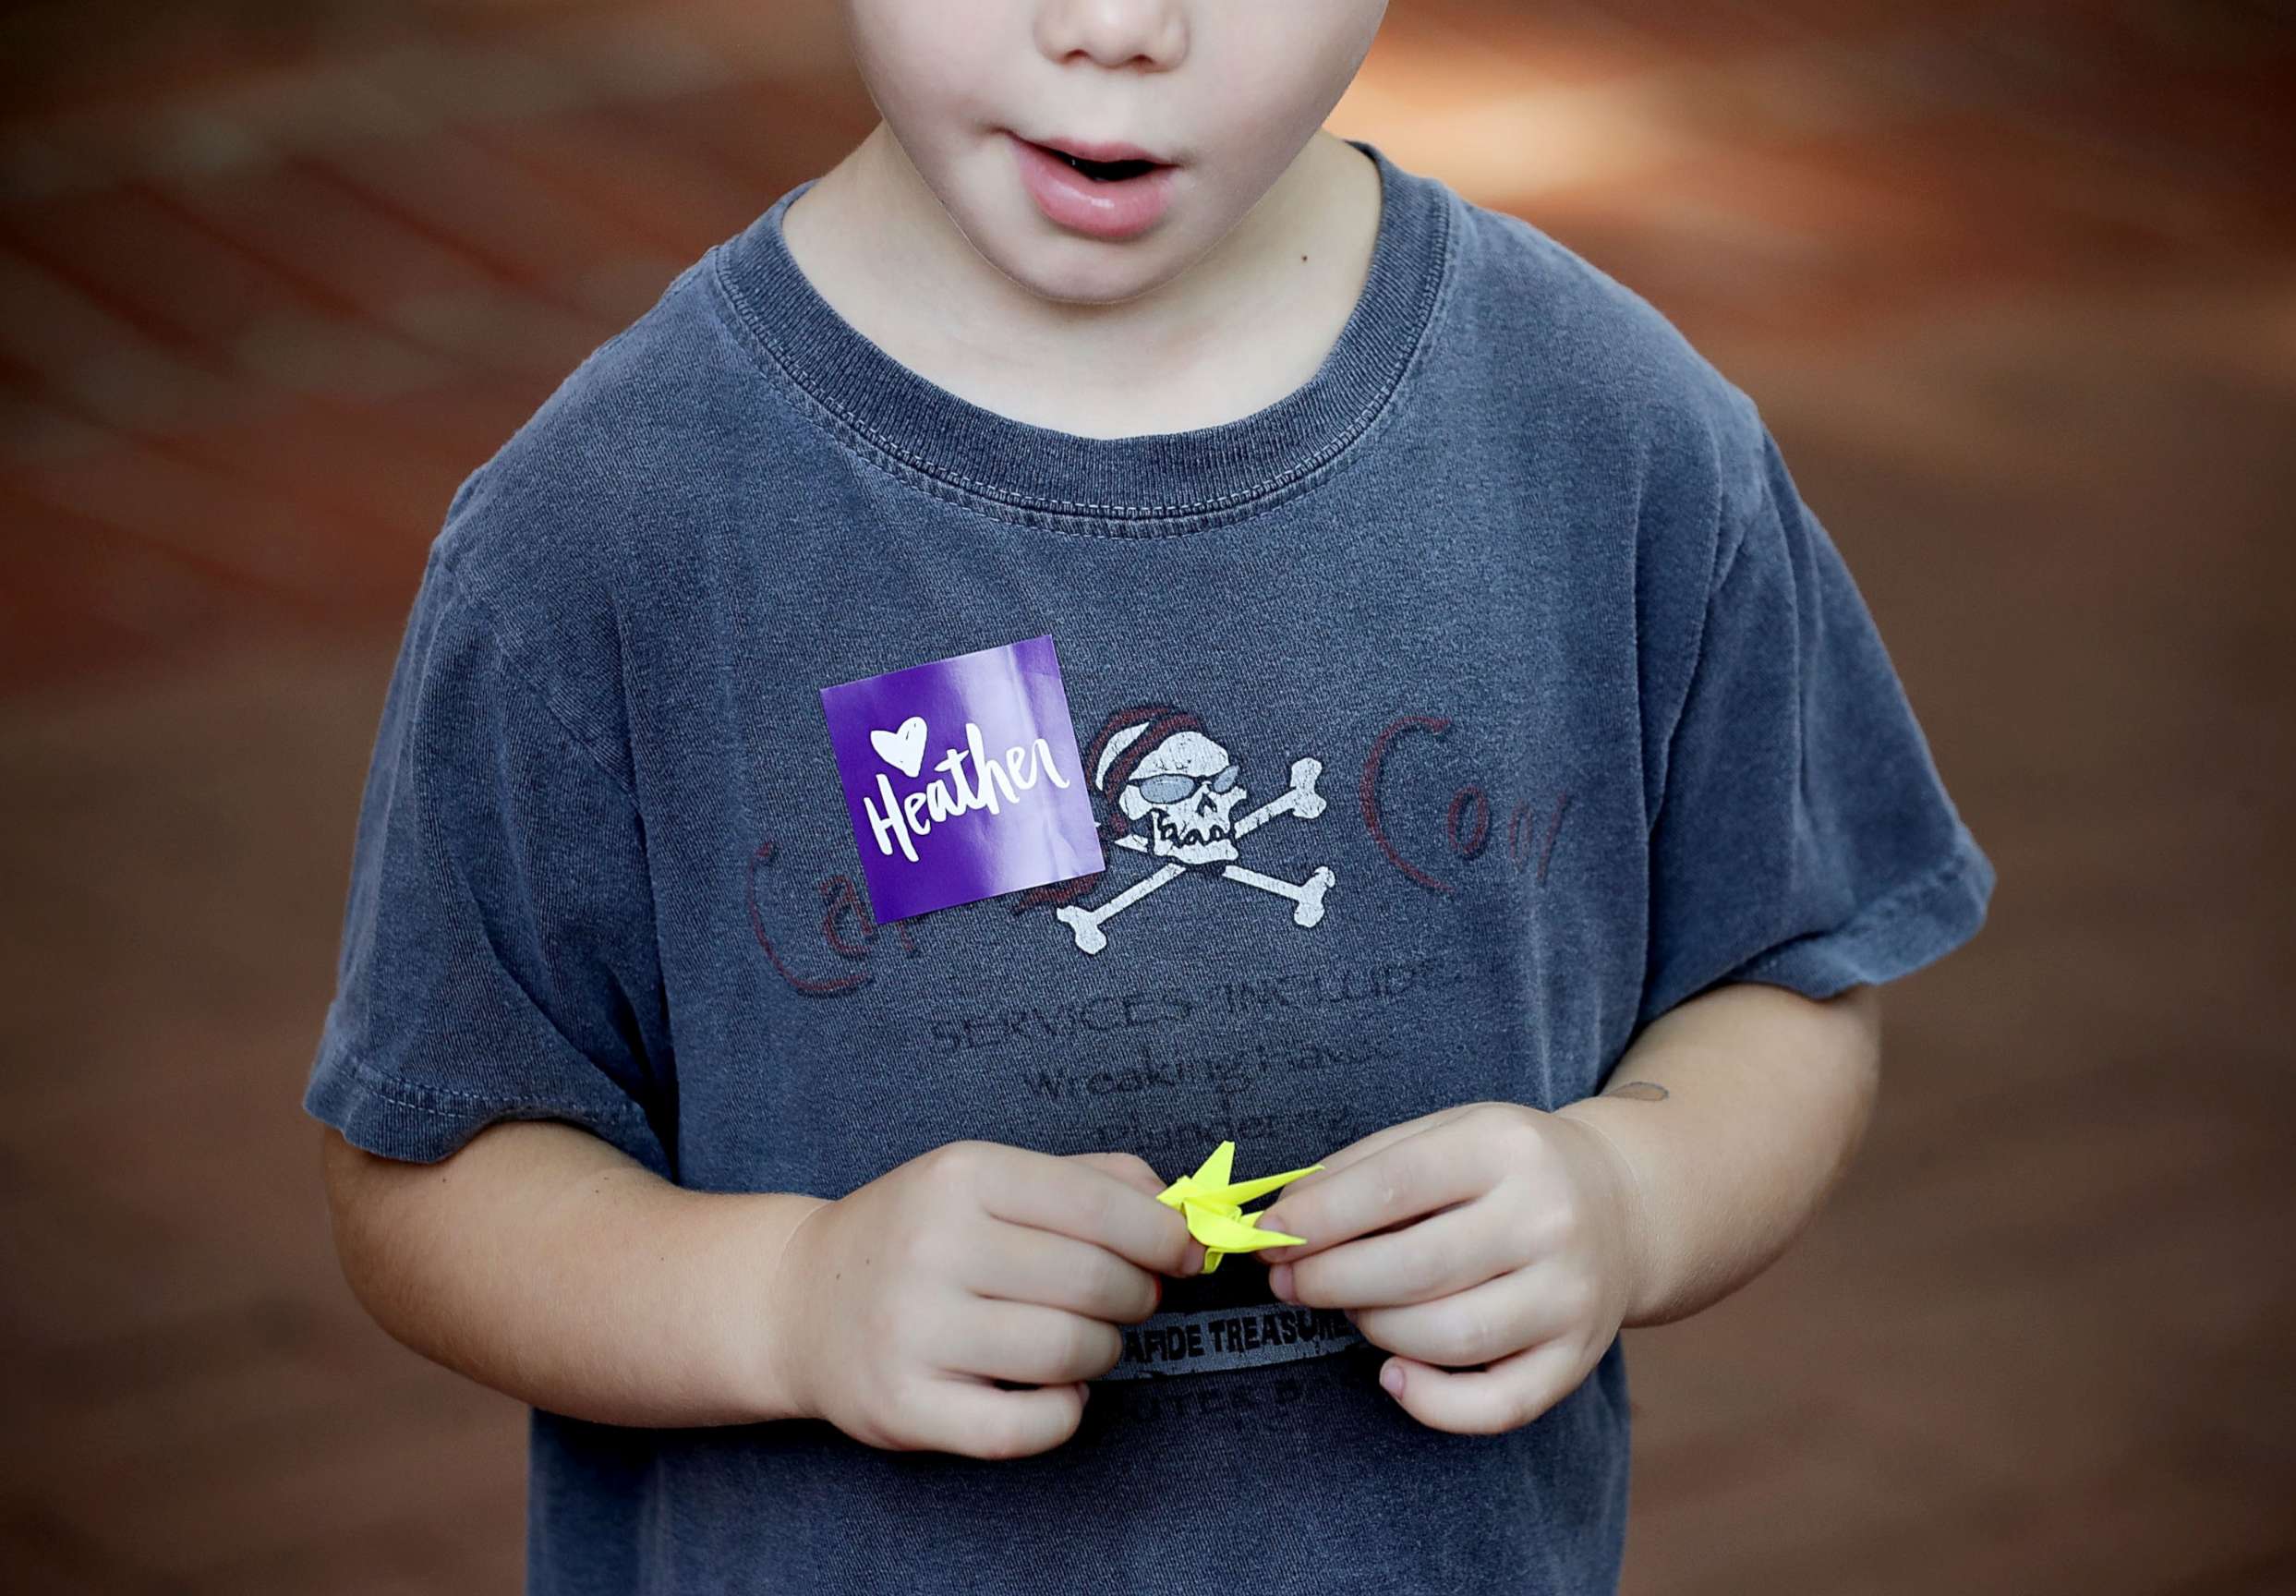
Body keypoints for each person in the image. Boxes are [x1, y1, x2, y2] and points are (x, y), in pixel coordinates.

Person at [304, 2, 1995, 1591]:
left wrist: (1634, 1196)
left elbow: (1786, 975)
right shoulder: (611, 525)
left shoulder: (1611, 436)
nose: (1121, 28)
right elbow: (434, 1171)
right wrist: (784, 1304)